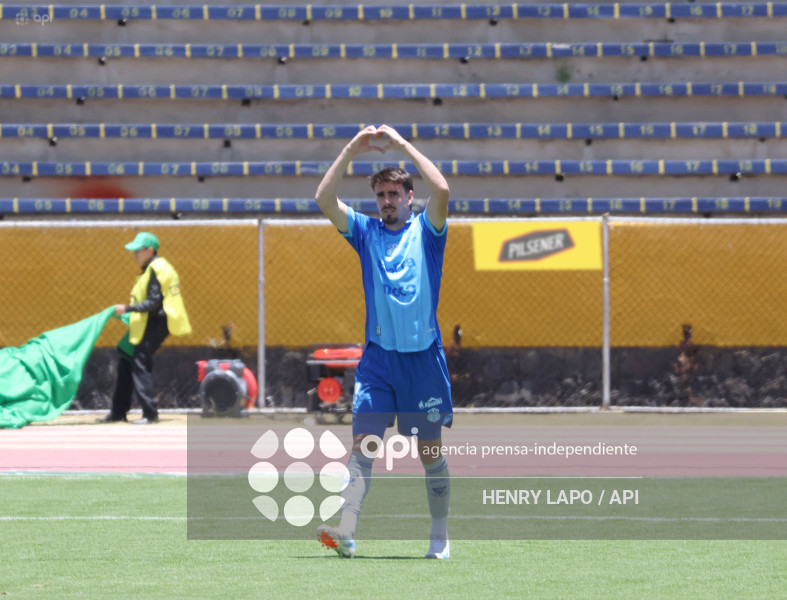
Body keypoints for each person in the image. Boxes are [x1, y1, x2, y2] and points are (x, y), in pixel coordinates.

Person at [314, 124, 452, 559]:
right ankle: (347, 530)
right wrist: (351, 149)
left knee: (430, 453)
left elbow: (443, 190)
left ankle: (440, 534)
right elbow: (323, 199)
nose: (387, 201)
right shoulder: (365, 232)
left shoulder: (428, 230)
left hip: (423, 361)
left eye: (394, 194)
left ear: (410, 197)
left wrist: (403, 145)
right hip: (379, 361)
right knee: (364, 445)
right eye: (381, 195)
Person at [101, 232, 192, 424]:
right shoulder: (150, 269)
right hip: (147, 321)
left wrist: (127, 308)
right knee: (126, 359)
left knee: (140, 360)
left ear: (150, 250)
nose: (134, 254)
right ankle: (118, 412)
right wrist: (129, 313)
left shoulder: (156, 269)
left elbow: (153, 302)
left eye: (138, 250)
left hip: (157, 322)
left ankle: (150, 414)